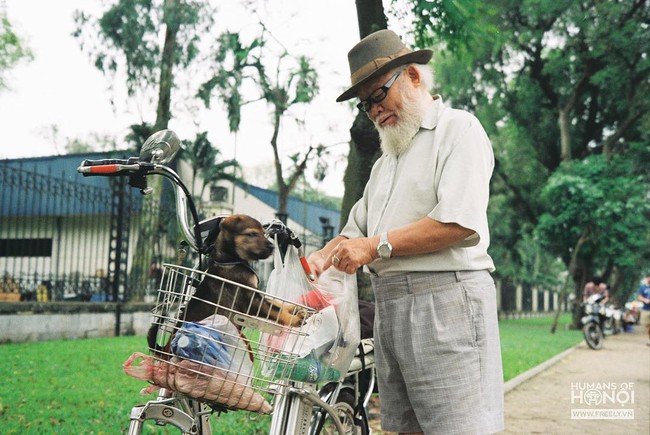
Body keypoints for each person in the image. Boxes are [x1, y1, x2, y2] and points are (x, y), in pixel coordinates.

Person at [308, 29, 504, 435]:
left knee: (458, 428)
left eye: (379, 95)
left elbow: (458, 221)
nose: (375, 111)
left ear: (413, 76)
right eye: (366, 105)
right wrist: (322, 256)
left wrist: (376, 247)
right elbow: (355, 233)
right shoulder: (386, 163)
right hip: (391, 308)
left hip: (445, 302)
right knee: (407, 429)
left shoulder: (458, 130)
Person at [637, 273, 650, 345]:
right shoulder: (643, 287)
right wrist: (645, 300)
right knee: (647, 325)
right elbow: (639, 296)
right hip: (646, 309)